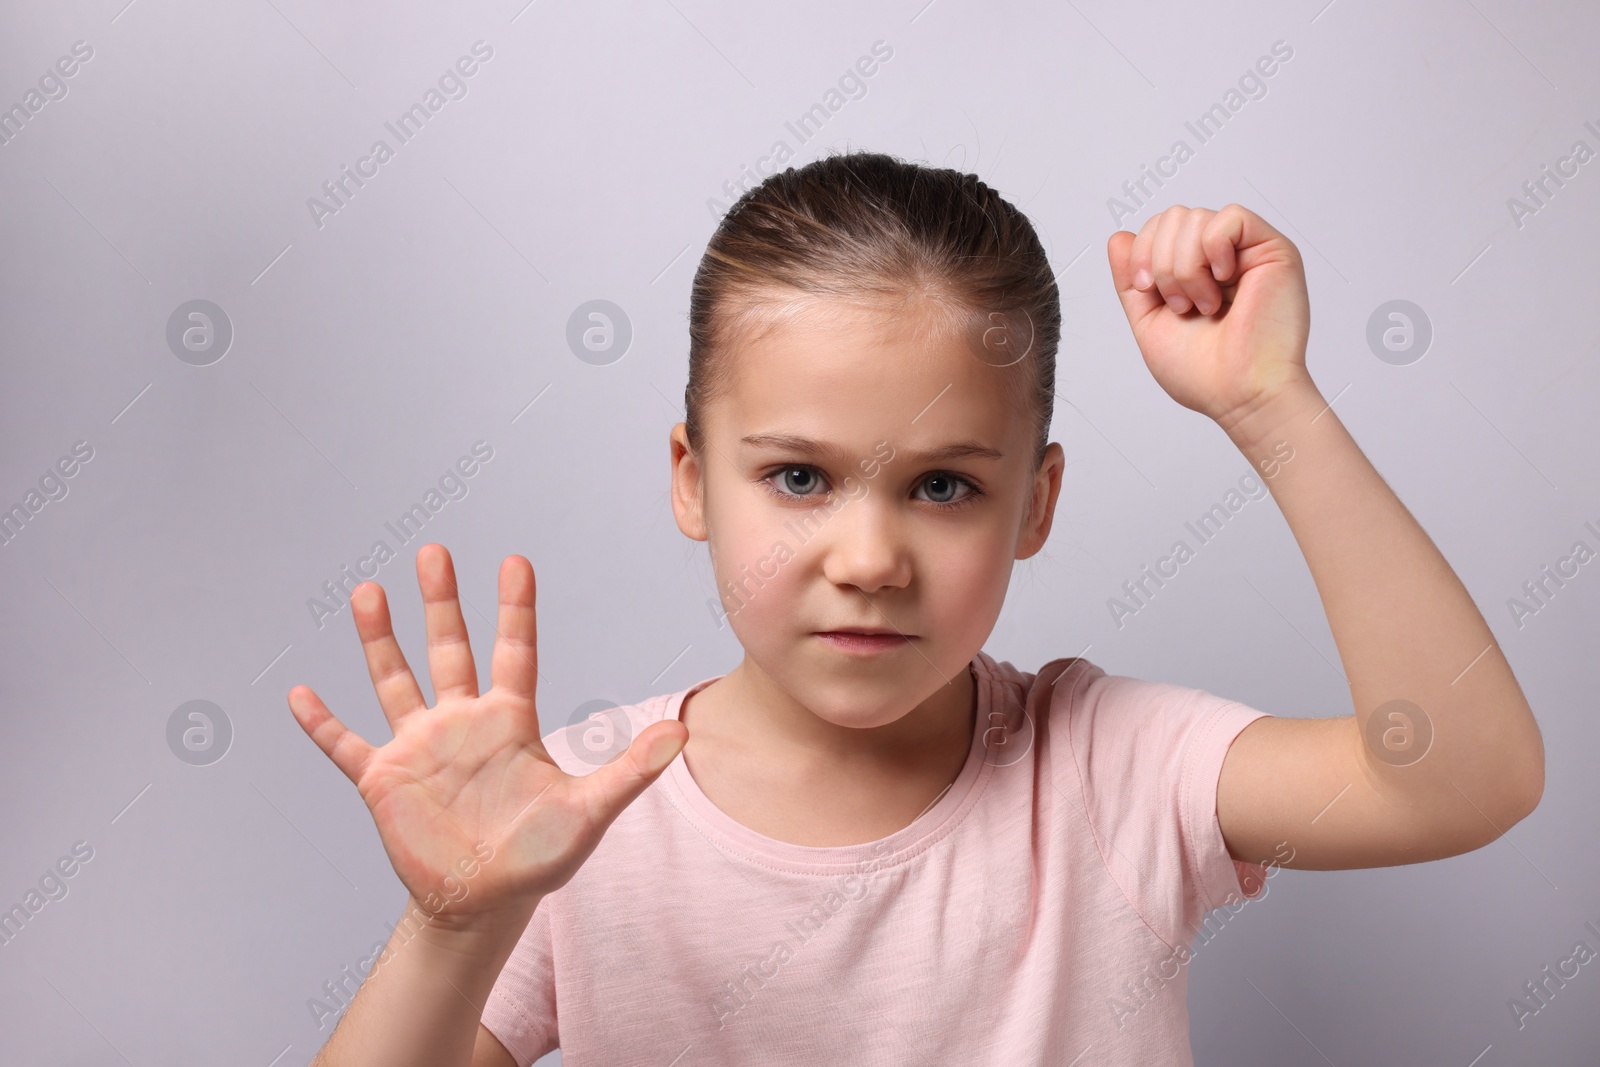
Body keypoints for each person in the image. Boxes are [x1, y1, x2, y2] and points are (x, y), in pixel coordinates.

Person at [287, 151, 1544, 1066]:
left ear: (1034, 505)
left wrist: (1273, 406)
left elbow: (1459, 779)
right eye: (798, 477)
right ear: (691, 479)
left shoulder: (1109, 768)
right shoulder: (573, 813)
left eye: (943, 484)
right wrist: (451, 924)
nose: (872, 555)